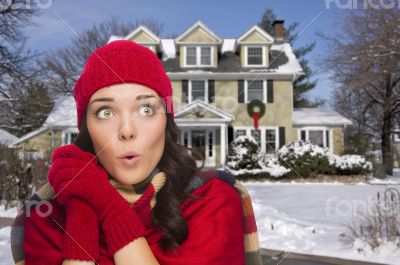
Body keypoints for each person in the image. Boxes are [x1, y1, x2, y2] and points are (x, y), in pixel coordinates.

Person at [10, 40, 262, 265]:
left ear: (167, 122)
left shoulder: (212, 197)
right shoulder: (46, 216)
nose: (127, 131)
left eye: (146, 110)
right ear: (86, 129)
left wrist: (110, 209)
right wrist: (81, 213)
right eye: (105, 112)